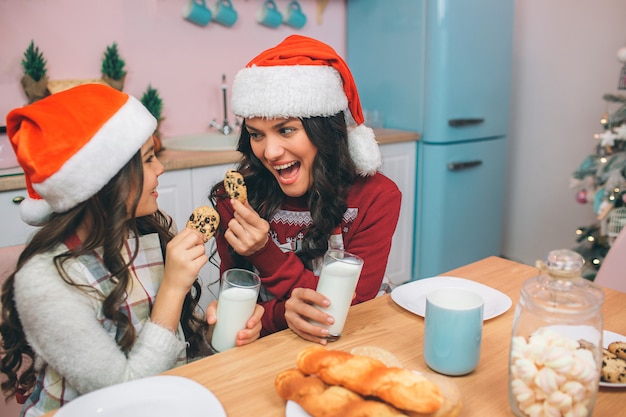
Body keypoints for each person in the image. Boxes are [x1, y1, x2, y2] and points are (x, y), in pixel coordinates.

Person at [0, 84, 264, 416]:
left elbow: (173, 346)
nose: (161, 168)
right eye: (149, 159)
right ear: (104, 179)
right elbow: (125, 399)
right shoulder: (44, 283)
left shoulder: (143, 233)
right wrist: (173, 286)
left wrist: (219, 333)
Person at [210, 35, 401, 344]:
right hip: (271, 345)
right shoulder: (234, 200)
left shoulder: (376, 197)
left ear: (323, 131)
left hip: (353, 338)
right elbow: (240, 304)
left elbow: (348, 306)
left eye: (286, 130)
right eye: (256, 135)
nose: (270, 152)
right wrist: (279, 316)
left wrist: (264, 251)